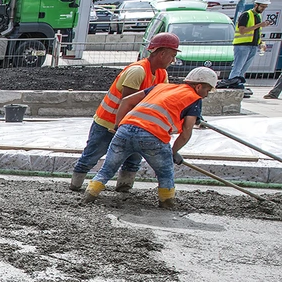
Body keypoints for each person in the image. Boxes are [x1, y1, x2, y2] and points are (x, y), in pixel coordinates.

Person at [84, 66, 218, 210]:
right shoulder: (194, 99)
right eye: (207, 90)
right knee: (165, 172)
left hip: (125, 130)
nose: (206, 95)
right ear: (198, 87)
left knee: (107, 169)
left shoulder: (160, 87)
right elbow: (186, 131)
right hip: (153, 136)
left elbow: (127, 100)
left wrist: (118, 126)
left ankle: (90, 195)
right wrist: (173, 152)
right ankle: (166, 202)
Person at [69, 32, 179, 192]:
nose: (173, 60)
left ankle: (124, 188)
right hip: (108, 123)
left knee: (133, 158)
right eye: (172, 55)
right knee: (92, 155)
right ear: (162, 54)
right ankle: (75, 185)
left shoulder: (162, 74)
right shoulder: (138, 71)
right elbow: (127, 103)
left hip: (132, 126)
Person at [227, 0, 272, 87]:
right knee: (237, 67)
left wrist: (261, 43)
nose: (263, 9)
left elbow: (257, 33)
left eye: (265, 7)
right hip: (242, 45)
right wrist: (259, 25)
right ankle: (232, 84)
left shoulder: (258, 17)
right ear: (256, 5)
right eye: (262, 7)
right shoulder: (246, 15)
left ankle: (238, 83)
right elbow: (242, 30)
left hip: (253, 46)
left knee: (243, 68)